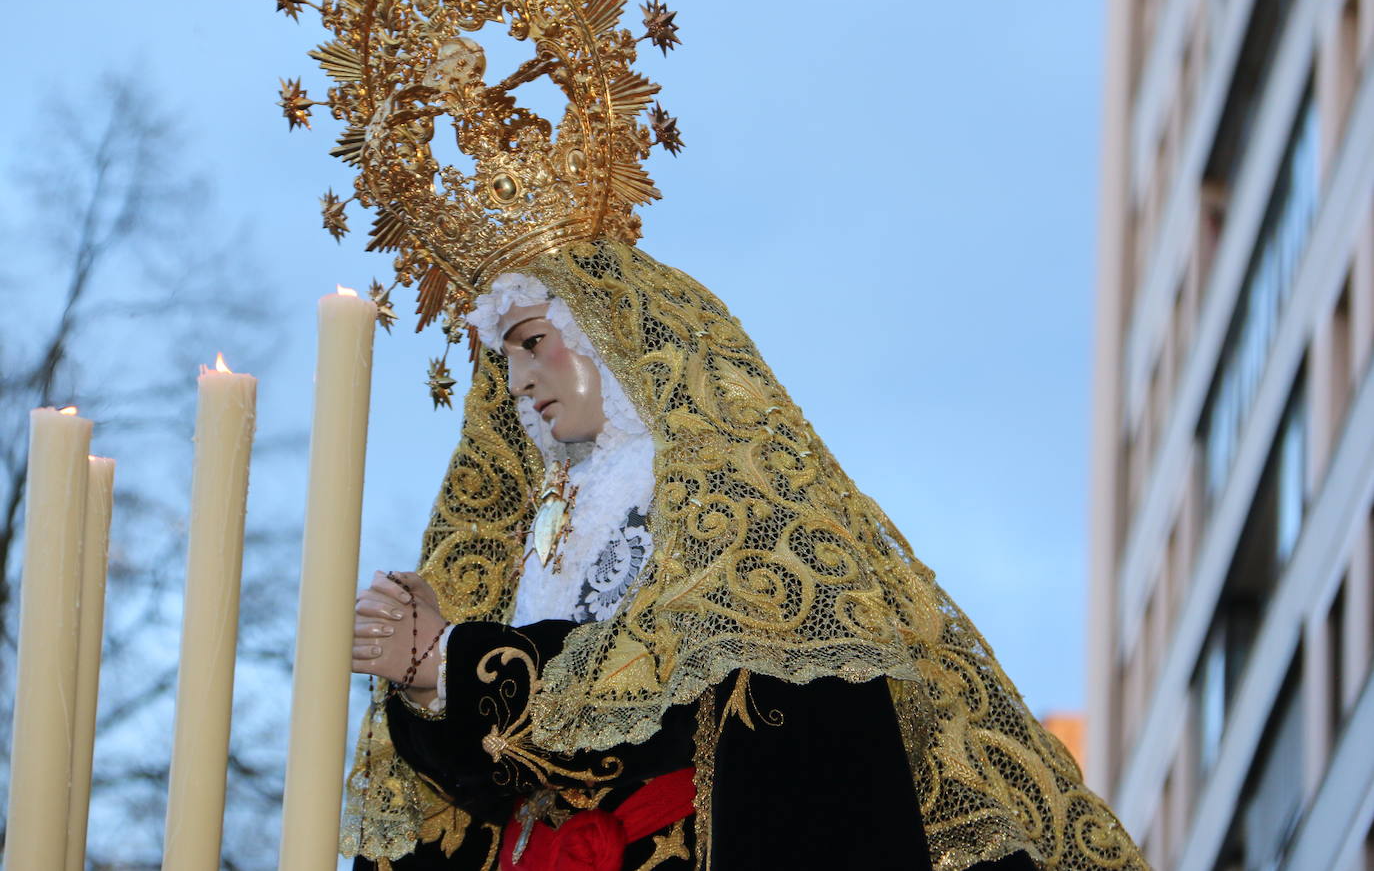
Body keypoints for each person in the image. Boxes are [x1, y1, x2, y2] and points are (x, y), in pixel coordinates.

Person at [341, 243, 1147, 871]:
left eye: (533, 342)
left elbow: (665, 685)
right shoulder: (532, 533)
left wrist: (457, 659)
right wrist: (429, 690)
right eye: (503, 358)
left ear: (609, 325)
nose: (517, 381)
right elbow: (487, 777)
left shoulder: (738, 517)